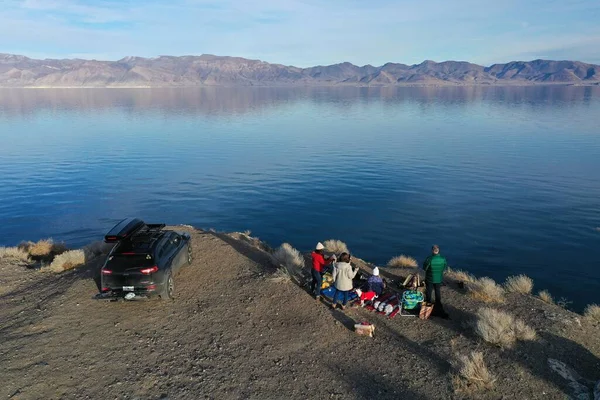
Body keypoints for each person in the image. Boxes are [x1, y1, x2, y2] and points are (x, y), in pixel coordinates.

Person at [423, 244, 449, 319]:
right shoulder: (443, 258)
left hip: (430, 278)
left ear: (432, 250)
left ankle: (428, 303)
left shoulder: (429, 259)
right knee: (437, 291)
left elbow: (425, 268)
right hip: (438, 279)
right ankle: (438, 303)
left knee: (429, 290)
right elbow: (444, 267)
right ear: (438, 250)